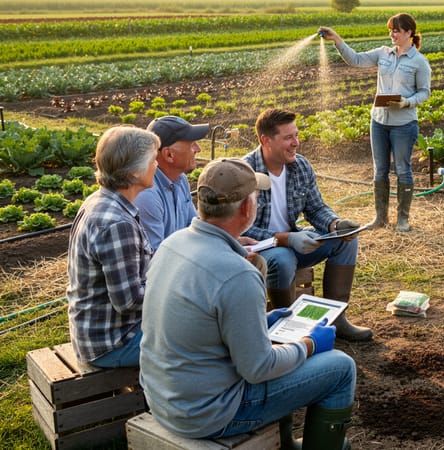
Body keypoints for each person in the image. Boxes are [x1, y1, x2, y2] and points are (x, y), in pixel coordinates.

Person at [140, 158, 356, 449]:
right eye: (256, 196)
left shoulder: (172, 244)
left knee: (278, 344)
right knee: (341, 367)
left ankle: (287, 443)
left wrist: (263, 321)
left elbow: (204, 326)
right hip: (210, 413)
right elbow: (259, 368)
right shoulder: (238, 273)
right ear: (245, 208)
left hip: (164, 399)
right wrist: (309, 344)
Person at [243, 108, 372, 341]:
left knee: (345, 242)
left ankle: (338, 319)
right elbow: (241, 229)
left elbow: (315, 208)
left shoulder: (300, 166)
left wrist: (335, 224)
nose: (296, 143)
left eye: (296, 135)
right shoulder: (245, 172)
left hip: (295, 241)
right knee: (282, 259)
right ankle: (286, 328)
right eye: (288, 138)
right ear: (266, 140)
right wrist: (285, 239)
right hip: (259, 250)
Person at [319, 13, 431, 232]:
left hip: (404, 124)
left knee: (402, 170)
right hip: (378, 121)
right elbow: (356, 59)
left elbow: (424, 92)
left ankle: (402, 220)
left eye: (396, 30)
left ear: (409, 32)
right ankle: (380, 218)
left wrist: (407, 103)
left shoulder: (419, 62)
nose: (392, 34)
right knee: (380, 170)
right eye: (390, 30)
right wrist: (337, 40)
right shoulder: (383, 53)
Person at [67, 126, 159, 367]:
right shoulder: (118, 223)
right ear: (134, 173)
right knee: (202, 336)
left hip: (95, 334)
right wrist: (176, 286)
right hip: (115, 342)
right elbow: (128, 302)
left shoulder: (101, 200)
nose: (156, 165)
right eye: (153, 159)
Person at [134, 115, 209, 250]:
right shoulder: (148, 195)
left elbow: (195, 228)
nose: (198, 149)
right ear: (169, 155)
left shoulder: (181, 179)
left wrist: (226, 243)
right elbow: (157, 257)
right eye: (192, 144)